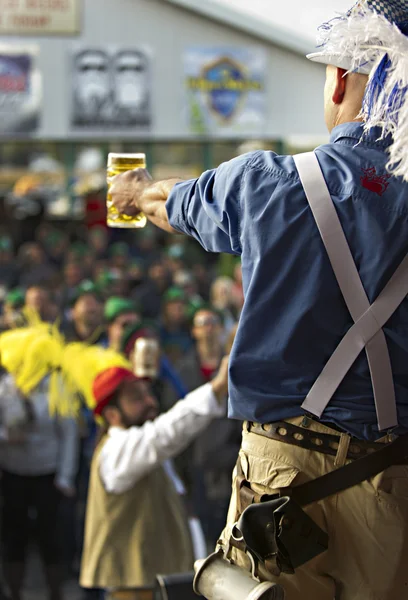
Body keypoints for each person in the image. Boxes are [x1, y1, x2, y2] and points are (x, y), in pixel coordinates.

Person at [109, 1, 408, 597]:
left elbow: (173, 203)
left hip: (282, 476)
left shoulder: (267, 182)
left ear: (344, 81)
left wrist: (137, 191)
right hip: (393, 484)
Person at [80, 358, 229, 600]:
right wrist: (217, 387)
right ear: (112, 414)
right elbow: (164, 434)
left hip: (163, 584)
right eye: (136, 398)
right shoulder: (117, 449)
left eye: (148, 393)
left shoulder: (138, 443)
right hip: (135, 590)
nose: (150, 401)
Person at [0, 374, 79, 600]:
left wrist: (65, 477)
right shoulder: (5, 387)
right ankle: (14, 592)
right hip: (12, 472)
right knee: (14, 536)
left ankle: (56, 592)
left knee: (51, 537)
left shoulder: (56, 387)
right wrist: (6, 435)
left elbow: (69, 431)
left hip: (47, 473)